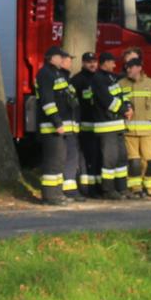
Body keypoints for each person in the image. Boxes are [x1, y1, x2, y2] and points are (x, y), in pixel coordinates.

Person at [33, 46, 76, 205]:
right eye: (59, 57)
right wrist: (57, 122)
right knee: (52, 162)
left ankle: (57, 193)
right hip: (51, 127)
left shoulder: (56, 74)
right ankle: (50, 196)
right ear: (51, 58)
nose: (62, 59)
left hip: (59, 127)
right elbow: (48, 101)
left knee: (59, 161)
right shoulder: (45, 74)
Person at [119, 51, 151, 197]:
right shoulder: (121, 84)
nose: (128, 70)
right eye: (127, 68)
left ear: (138, 68)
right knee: (134, 163)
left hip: (147, 131)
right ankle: (135, 188)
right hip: (129, 131)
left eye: (130, 68)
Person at [92, 53, 131, 200]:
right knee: (110, 159)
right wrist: (124, 110)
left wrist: (128, 106)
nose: (115, 66)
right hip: (106, 125)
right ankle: (108, 190)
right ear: (105, 63)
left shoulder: (112, 78)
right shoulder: (98, 79)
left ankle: (122, 188)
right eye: (112, 63)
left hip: (118, 124)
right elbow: (107, 100)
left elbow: (121, 95)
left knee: (121, 158)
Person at [72, 52, 102, 197]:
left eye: (94, 61)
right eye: (89, 62)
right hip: (85, 125)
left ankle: (98, 186)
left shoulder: (100, 78)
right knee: (89, 157)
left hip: (100, 124)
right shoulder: (77, 80)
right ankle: (89, 189)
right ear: (83, 63)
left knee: (99, 157)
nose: (92, 64)